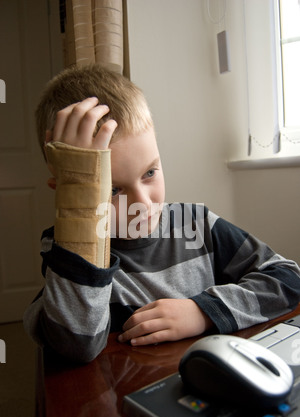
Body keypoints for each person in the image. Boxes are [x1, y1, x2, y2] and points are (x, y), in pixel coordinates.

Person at [24, 64, 300, 363]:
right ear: (68, 196)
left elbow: (288, 278)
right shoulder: (68, 254)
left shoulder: (197, 225)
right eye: (113, 190)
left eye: (150, 173)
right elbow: (75, 346)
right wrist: (81, 211)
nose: (142, 203)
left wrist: (202, 312)